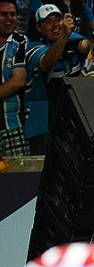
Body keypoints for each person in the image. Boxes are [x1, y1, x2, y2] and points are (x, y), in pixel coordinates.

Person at [24, 5, 90, 154]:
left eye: (58, 19)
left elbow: (87, 47)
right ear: (39, 27)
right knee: (41, 164)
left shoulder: (72, 38)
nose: (55, 25)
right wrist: (64, 36)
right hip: (41, 117)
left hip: (71, 116)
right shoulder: (32, 48)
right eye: (48, 21)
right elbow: (46, 63)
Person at [0, 0, 28, 157]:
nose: (9, 18)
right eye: (3, 14)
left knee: (18, 179)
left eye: (12, 14)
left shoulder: (20, 42)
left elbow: (18, 80)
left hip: (12, 127)